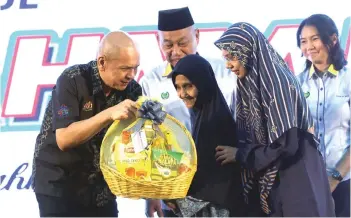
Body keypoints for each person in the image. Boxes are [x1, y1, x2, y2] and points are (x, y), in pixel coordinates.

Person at [214, 22, 335, 216]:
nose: (228, 65)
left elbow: (286, 145)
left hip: (296, 179)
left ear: (248, 51)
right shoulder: (249, 84)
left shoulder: (278, 83)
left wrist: (241, 155)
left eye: (232, 57)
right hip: (273, 180)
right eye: (226, 58)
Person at [32, 31, 142, 217]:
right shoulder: (72, 80)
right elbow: (64, 139)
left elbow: (137, 142)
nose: (131, 75)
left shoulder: (132, 90)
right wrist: (108, 114)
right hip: (59, 185)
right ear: (102, 62)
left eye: (135, 68)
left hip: (100, 188)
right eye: (125, 68)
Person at [139, 6, 237, 217]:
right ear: (158, 43)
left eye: (182, 43)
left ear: (197, 36)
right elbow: (148, 139)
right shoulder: (150, 82)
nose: (175, 51)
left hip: (221, 186)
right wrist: (153, 192)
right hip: (173, 192)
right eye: (168, 44)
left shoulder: (225, 72)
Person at [170, 54, 245, 217]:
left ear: (203, 84)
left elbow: (215, 186)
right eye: (178, 87)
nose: (182, 94)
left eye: (187, 86)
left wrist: (172, 195)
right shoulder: (201, 115)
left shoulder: (215, 122)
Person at [296, 14, 350, 217]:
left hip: (345, 183)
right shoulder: (297, 83)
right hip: (309, 182)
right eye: (303, 41)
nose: (309, 46)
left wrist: (336, 176)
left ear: (333, 39)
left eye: (315, 38)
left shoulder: (347, 79)